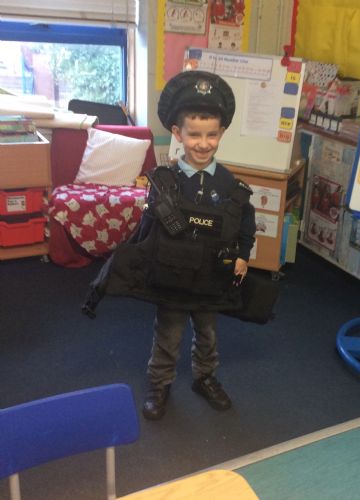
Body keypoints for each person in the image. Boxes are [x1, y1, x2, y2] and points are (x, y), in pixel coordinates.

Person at [140, 70, 256, 420]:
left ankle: (204, 378)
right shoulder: (167, 181)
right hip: (173, 276)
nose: (203, 143)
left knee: (207, 333)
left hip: (210, 276)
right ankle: (160, 384)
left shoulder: (229, 183)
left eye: (211, 134)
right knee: (168, 333)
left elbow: (245, 222)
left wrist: (243, 255)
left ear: (221, 132)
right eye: (194, 135)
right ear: (178, 133)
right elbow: (149, 227)